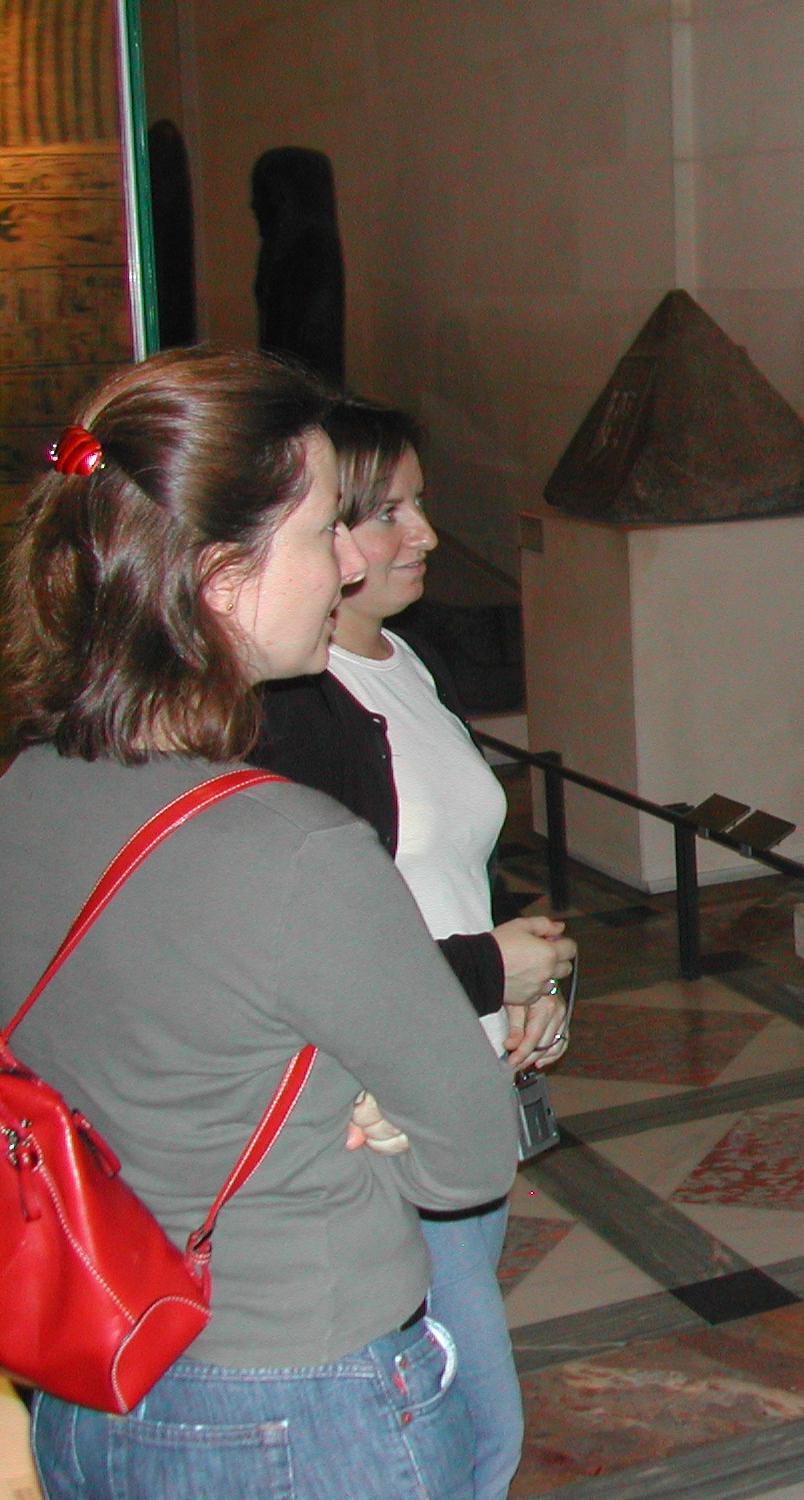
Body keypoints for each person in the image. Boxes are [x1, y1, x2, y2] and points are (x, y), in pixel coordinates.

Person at [0, 346, 518, 1499]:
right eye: (326, 530)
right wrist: (378, 1118)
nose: (351, 562)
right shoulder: (291, 848)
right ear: (223, 576)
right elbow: (471, 1152)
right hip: (298, 1397)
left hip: (94, 1375)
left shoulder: (28, 786)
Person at [250, 397, 572, 1500]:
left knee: (461, 1423)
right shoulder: (291, 709)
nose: (424, 534)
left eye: (418, 504)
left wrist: (530, 978)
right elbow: (310, 957)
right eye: (387, 512)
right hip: (374, 1113)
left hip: (454, 1076)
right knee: (468, 1435)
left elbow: (449, 866)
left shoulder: (405, 658)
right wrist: (488, 969)